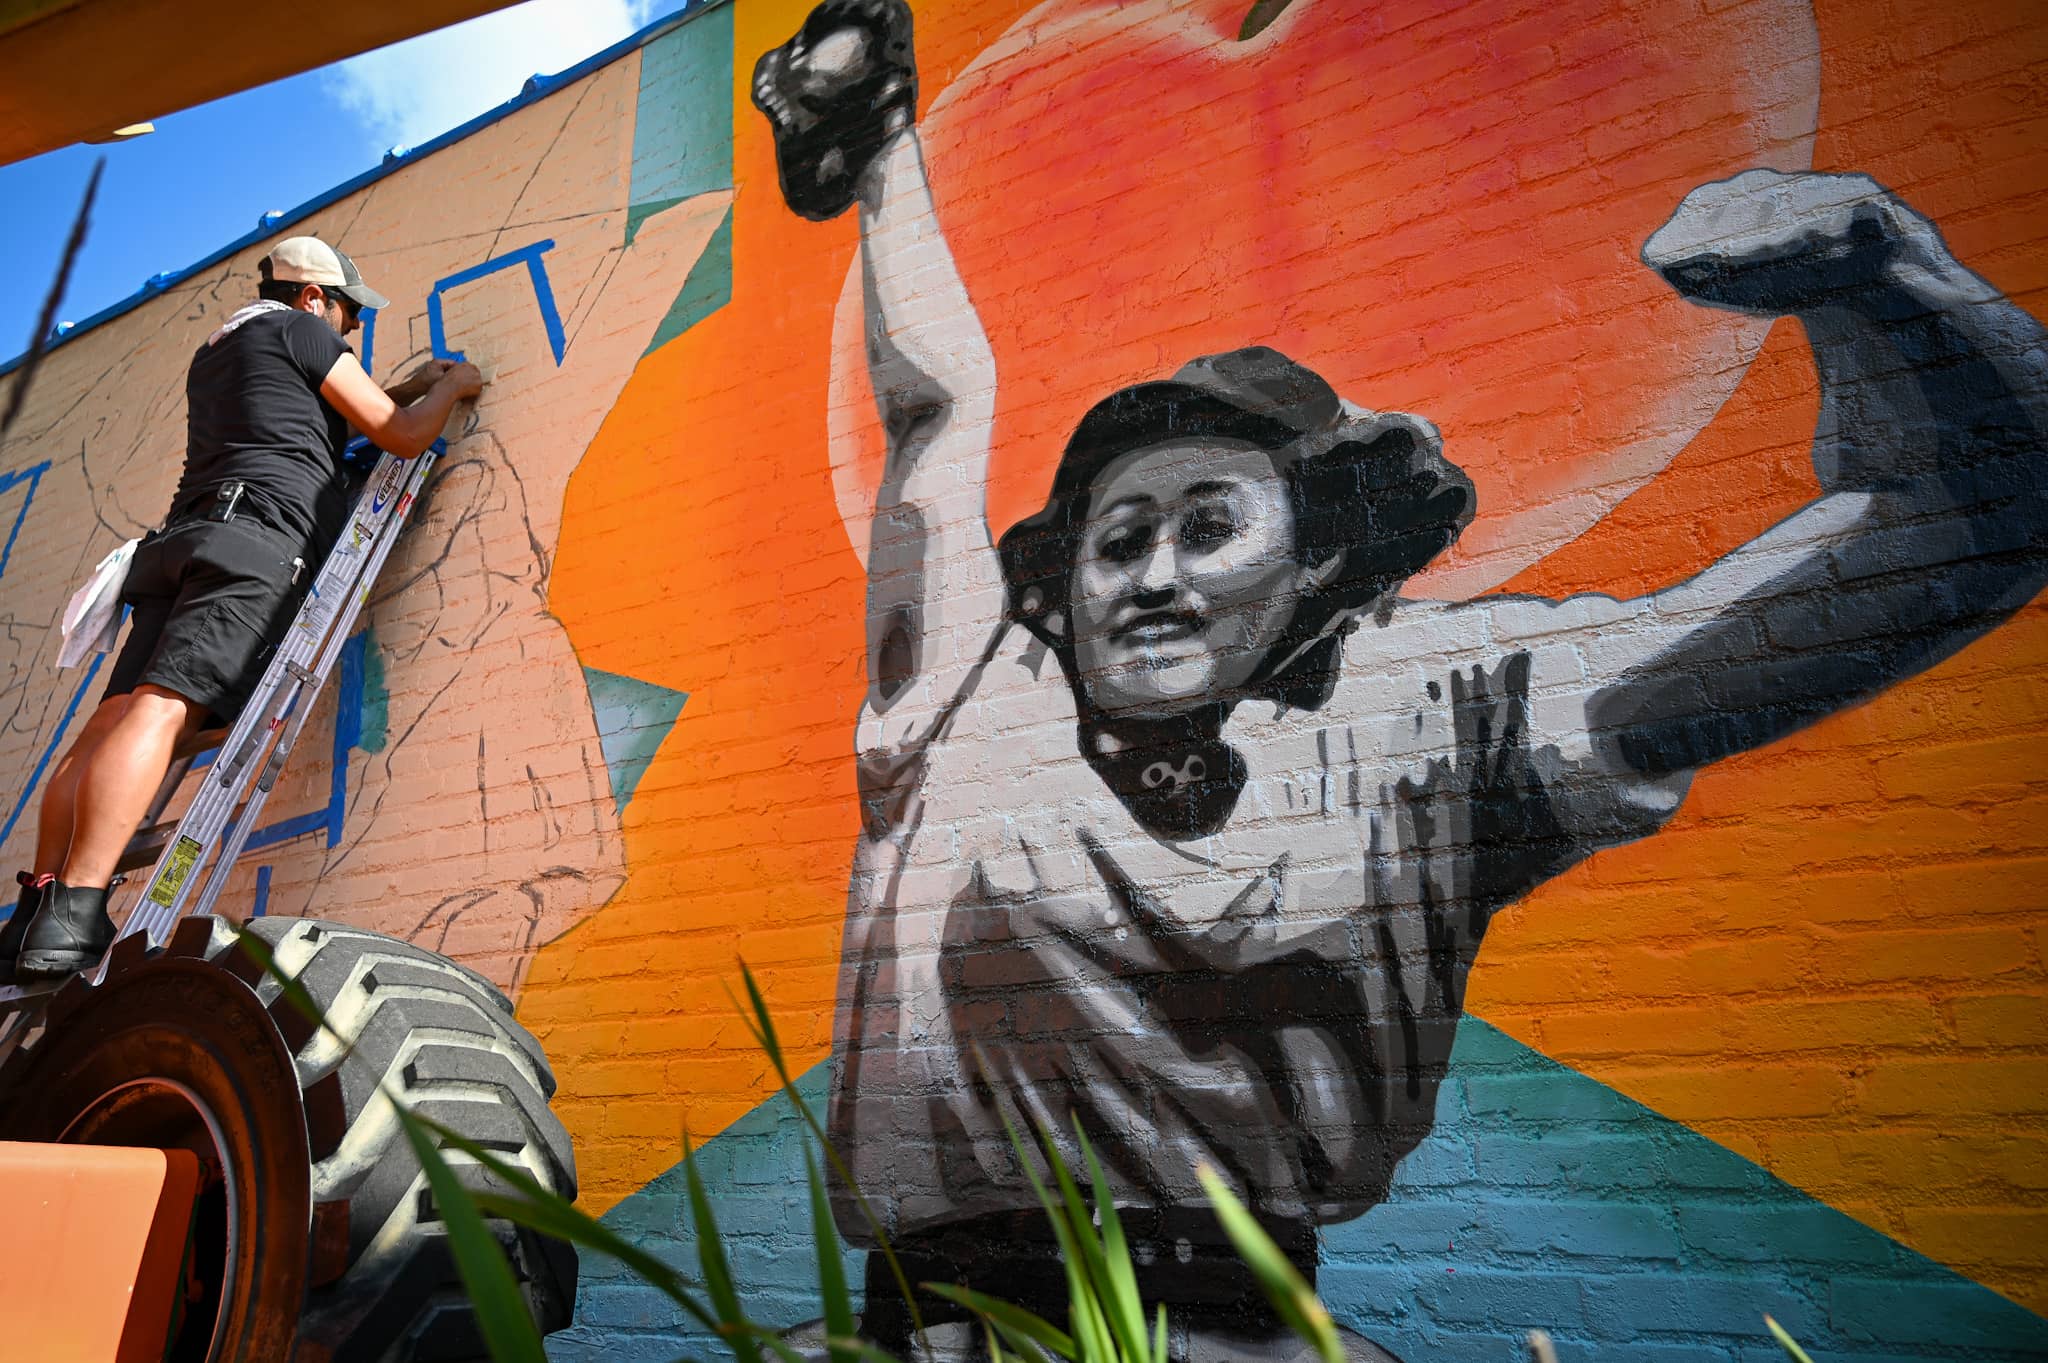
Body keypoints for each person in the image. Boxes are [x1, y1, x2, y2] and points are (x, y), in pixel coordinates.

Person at [756, 4, 2048, 1361]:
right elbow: (938, 412)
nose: (1148, 574)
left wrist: (1890, 283)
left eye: (1208, 524)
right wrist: (884, 146)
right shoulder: (966, 692)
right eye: (1114, 539)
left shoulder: (1437, 711)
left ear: (1315, 561)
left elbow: (1954, 533)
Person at [0, 236, 484, 982]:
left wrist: (402, 379)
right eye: (348, 313)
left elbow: (312, 415)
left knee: (106, 725)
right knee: (163, 714)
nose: (349, 330)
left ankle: (37, 912)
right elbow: (397, 430)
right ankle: (81, 906)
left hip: (182, 540)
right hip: (254, 539)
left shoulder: (223, 348)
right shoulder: (304, 330)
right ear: (315, 297)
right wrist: (452, 389)